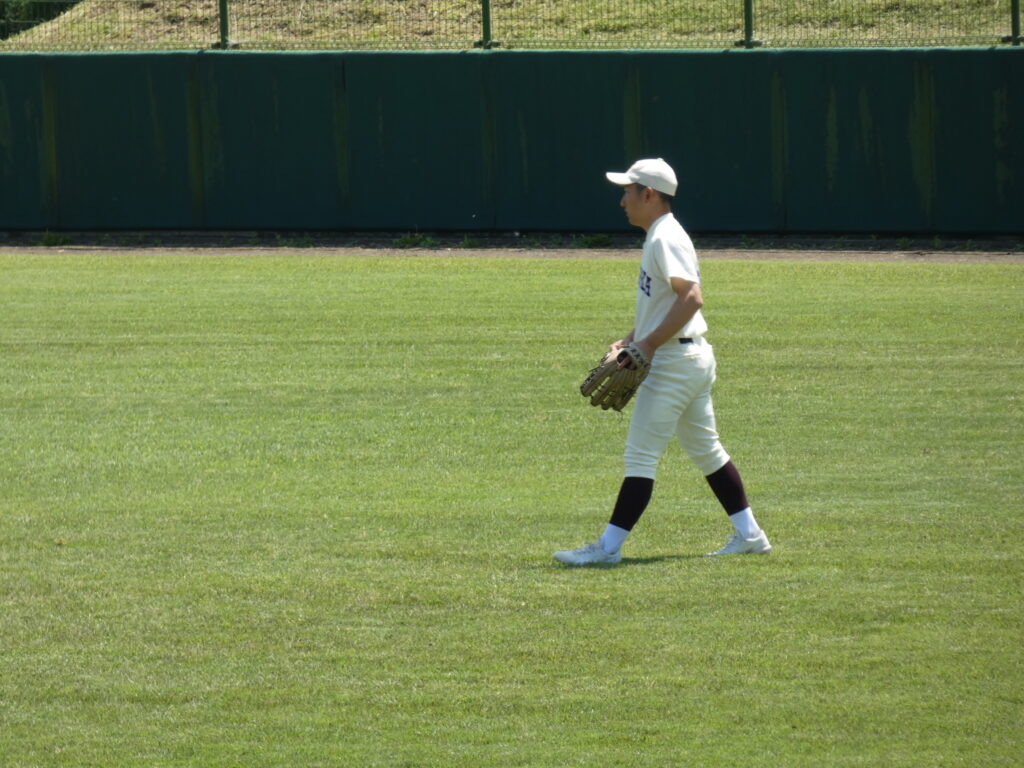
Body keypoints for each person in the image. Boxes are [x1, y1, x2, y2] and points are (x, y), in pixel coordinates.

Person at [554, 158, 771, 565]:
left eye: (628, 192)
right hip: (687, 357)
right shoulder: (661, 234)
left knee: (640, 457)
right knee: (707, 451)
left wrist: (649, 345)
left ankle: (607, 548)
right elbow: (665, 302)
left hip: (673, 362)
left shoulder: (664, 238)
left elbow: (691, 297)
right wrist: (632, 338)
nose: (623, 201)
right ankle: (750, 535)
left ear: (649, 194)